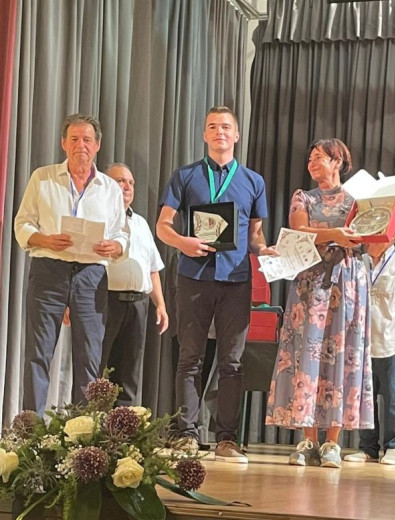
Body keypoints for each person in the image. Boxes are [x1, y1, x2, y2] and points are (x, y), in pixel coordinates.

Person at [156, 106, 277, 463]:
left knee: (233, 363)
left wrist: (265, 249)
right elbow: (163, 225)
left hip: (236, 279)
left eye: (226, 127)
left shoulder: (253, 181)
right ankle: (187, 434)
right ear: (205, 135)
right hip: (193, 275)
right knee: (189, 358)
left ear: (236, 135)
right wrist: (183, 242)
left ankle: (226, 438)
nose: (219, 131)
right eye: (212, 126)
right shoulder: (185, 176)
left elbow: (255, 235)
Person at [265, 138, 373, 469]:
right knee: (307, 355)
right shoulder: (304, 196)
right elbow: (300, 230)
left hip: (347, 280)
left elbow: (367, 235)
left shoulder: (358, 198)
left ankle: (332, 444)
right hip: (311, 282)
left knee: (343, 355)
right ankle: (308, 438)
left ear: (338, 162)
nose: (313, 162)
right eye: (310, 157)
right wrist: (336, 235)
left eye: (320, 157)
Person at [14, 113, 128, 416]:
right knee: (37, 354)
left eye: (87, 139)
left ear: (97, 145)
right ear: (63, 143)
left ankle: (82, 432)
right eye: (74, 138)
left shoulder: (109, 188)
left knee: (89, 357)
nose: (81, 145)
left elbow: (121, 233)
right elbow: (22, 224)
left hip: (91, 274)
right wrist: (44, 240)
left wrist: (116, 246)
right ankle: (30, 430)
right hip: (48, 270)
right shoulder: (43, 177)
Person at [344, 235, 395, 465]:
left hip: (393, 341)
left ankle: (394, 448)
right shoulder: (361, 263)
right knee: (363, 399)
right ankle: (368, 447)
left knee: (394, 397)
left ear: (388, 238)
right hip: (362, 343)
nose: (366, 241)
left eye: (373, 236)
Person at [101, 163, 169, 406]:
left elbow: (152, 268)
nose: (127, 186)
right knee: (98, 369)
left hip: (138, 305)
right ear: (106, 184)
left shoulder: (140, 222)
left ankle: (122, 431)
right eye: (120, 181)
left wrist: (160, 305)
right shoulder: (99, 218)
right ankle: (90, 429)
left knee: (129, 372)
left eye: (130, 182)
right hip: (105, 302)